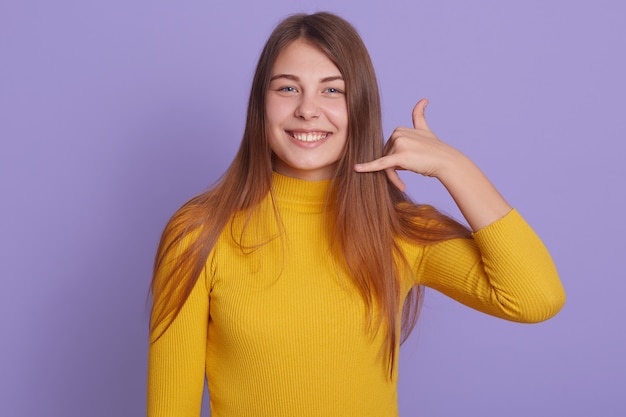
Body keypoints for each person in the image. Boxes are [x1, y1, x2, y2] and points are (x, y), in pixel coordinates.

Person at [147, 12, 565, 417]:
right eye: (287, 89)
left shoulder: (400, 231)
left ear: (360, 106)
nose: (308, 110)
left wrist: (454, 167)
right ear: (261, 104)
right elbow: (171, 408)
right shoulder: (199, 232)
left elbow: (534, 299)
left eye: (332, 90)